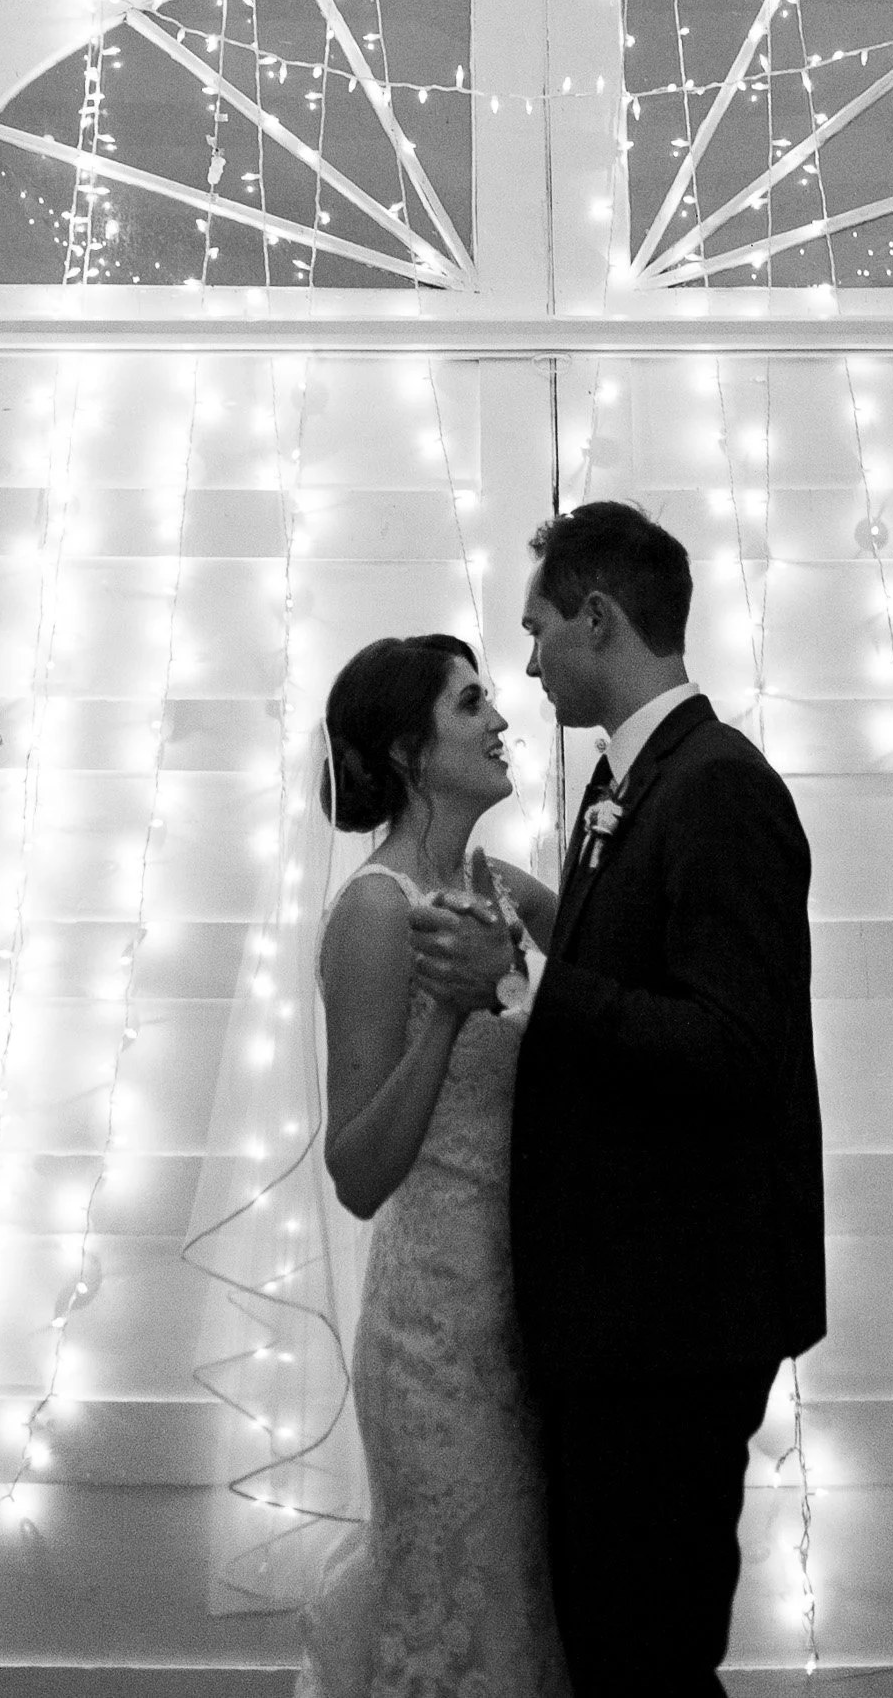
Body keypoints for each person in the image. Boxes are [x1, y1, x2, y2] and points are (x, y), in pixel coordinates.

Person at [409, 503, 828, 1698]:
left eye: (538, 629)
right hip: (626, 1314)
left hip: (674, 1319)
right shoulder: (639, 780)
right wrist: (554, 917)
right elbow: (653, 975)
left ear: (600, 615)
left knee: (644, 1653)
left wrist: (530, 989)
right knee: (613, 1638)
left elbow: (732, 1045)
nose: (528, 663)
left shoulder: (717, 788)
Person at [300, 632, 570, 1698]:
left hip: (526, 1316)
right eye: (472, 703)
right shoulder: (376, 910)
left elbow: (617, 963)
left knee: (526, 1615)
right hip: (433, 1335)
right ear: (412, 750)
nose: (501, 717)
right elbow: (358, 1169)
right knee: (458, 1612)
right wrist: (450, 1016)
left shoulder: (493, 883)